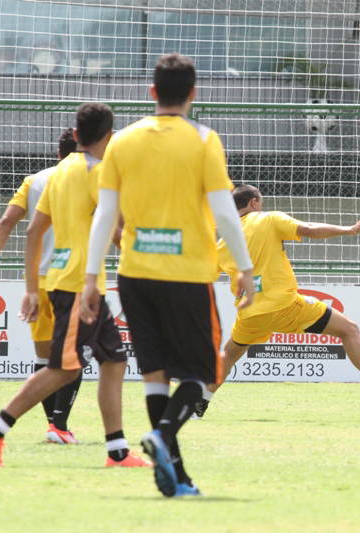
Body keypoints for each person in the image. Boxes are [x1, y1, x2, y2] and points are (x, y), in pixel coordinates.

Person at [80, 54, 255, 497]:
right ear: (193, 93)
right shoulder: (204, 140)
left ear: (152, 91)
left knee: (155, 374)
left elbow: (104, 215)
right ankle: (162, 436)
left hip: (134, 275)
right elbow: (225, 213)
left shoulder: (122, 142)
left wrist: (90, 277)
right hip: (186, 274)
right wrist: (245, 267)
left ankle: (175, 479)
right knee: (203, 373)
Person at [0, 102, 149, 469]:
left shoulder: (58, 172)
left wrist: (31, 289)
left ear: (77, 135)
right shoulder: (99, 173)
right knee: (65, 368)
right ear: (110, 136)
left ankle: (117, 452)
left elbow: (33, 231)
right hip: (78, 285)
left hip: (67, 281)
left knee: (114, 360)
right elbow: (116, 229)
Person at [191, 184, 360, 419]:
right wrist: (349, 229)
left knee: (228, 354)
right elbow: (308, 229)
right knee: (349, 329)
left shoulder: (225, 240)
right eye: (261, 202)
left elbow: (202, 274)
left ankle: (198, 406)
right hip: (284, 305)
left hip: (249, 314)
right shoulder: (269, 219)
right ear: (253, 203)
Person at [0, 128, 83, 444]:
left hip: (38, 282)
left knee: (45, 359)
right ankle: (58, 426)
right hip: (71, 279)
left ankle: (55, 427)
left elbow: (7, 221)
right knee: (74, 359)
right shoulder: (89, 176)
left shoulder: (35, 180)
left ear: (58, 153)